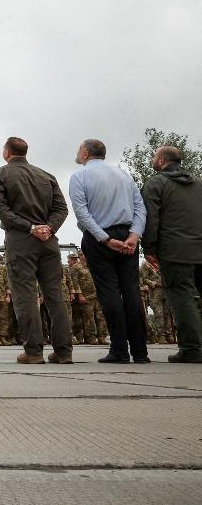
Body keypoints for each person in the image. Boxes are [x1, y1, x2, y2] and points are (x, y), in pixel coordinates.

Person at [0, 136, 72, 364]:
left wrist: (30, 227)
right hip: (49, 241)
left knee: (25, 296)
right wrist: (49, 227)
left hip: (20, 240)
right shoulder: (47, 176)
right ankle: (64, 351)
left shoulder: (1, 174)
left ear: (7, 153)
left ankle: (33, 351)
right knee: (55, 295)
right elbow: (61, 208)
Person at [69, 138, 150, 364]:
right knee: (132, 292)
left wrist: (104, 239)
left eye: (79, 149)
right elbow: (140, 207)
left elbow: (82, 213)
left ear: (85, 153)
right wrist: (134, 235)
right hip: (128, 236)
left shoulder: (79, 176)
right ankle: (141, 352)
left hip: (99, 238)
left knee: (109, 293)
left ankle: (119, 350)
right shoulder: (123, 175)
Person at [141, 146, 202, 363]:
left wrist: (148, 248)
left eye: (154, 155)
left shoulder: (156, 183)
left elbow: (151, 217)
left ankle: (192, 349)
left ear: (161, 161)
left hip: (175, 251)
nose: (152, 158)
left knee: (182, 298)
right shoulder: (198, 183)